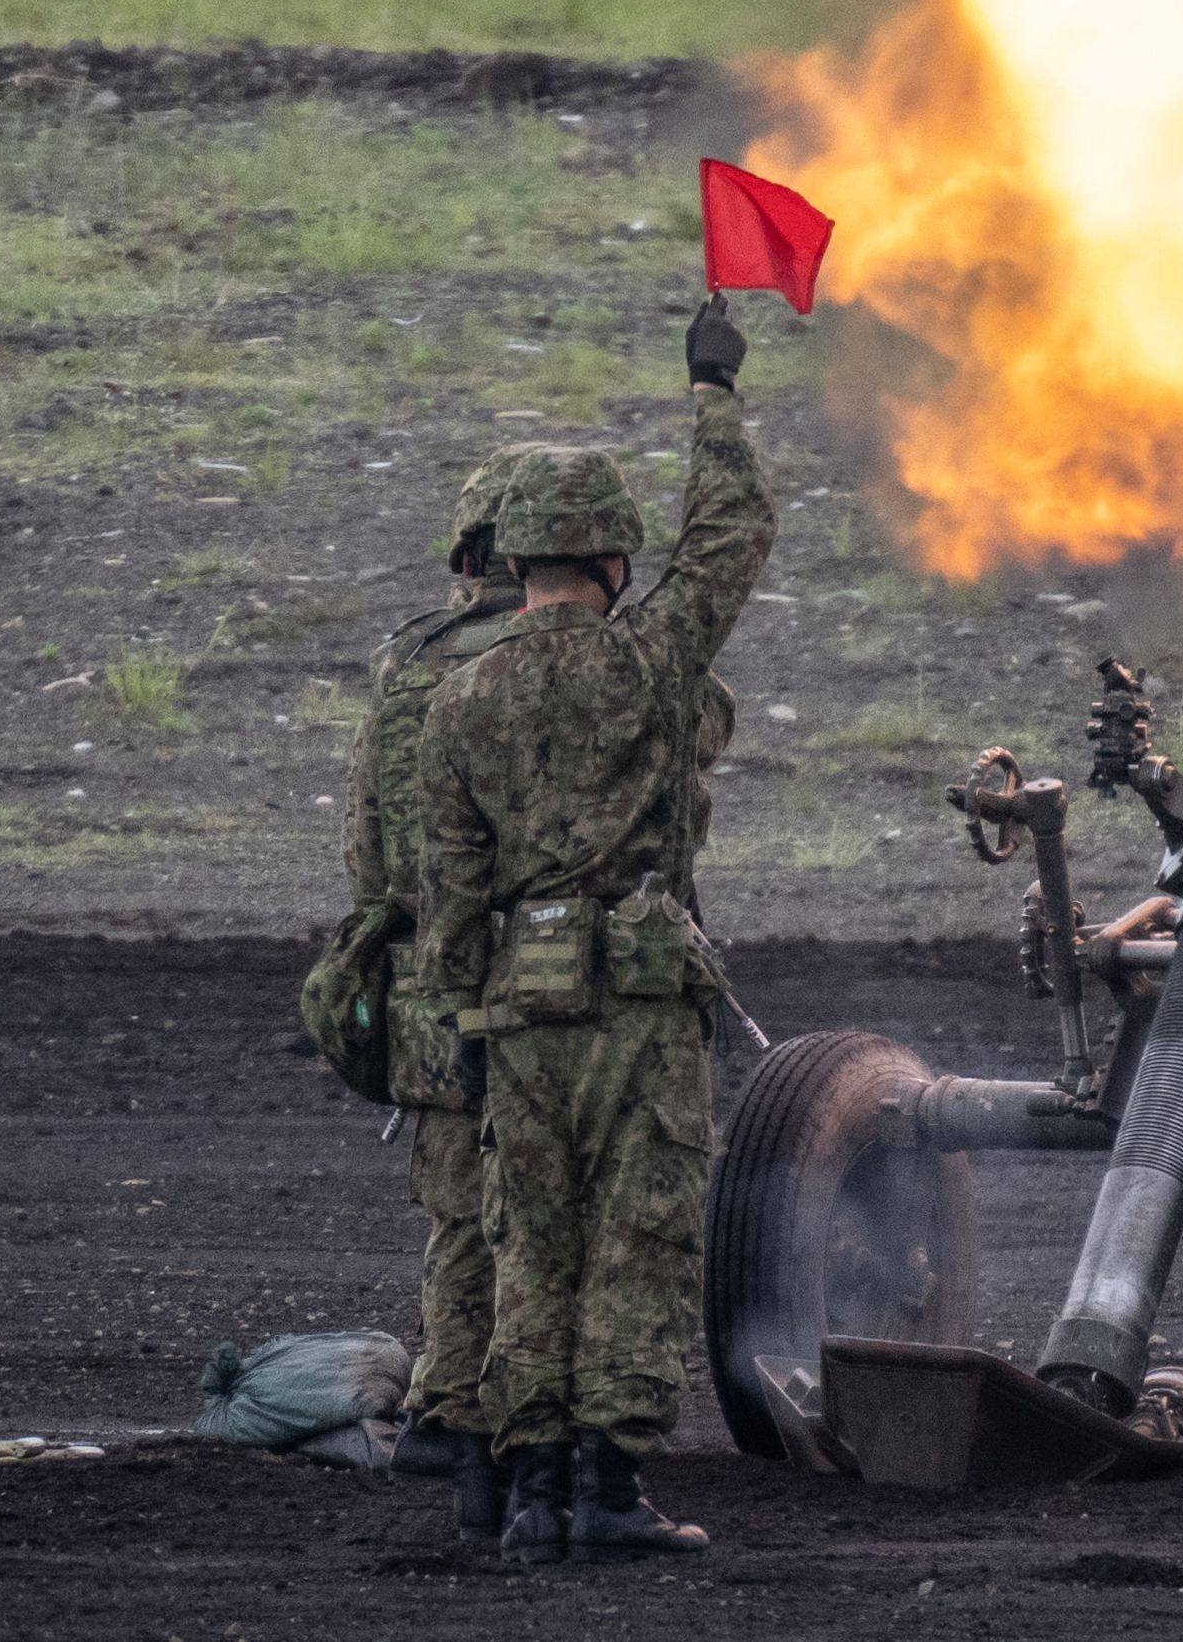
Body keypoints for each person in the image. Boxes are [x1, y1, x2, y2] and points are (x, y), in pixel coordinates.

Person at [416, 294, 773, 1564]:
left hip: (513, 1005)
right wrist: (710, 392)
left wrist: (459, 1018)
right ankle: (607, 1492)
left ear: (515, 561)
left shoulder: (457, 701)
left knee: (530, 1244)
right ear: (616, 559)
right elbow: (729, 538)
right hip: (632, 999)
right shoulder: (650, 661)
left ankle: (525, 1497)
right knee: (638, 1235)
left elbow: (447, 882)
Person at [347, 454, 536, 1539]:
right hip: (524, 978)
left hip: (418, 975)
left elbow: (365, 844)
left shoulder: (404, 657)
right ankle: (508, 1422)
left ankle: (444, 1406)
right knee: (539, 1214)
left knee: (456, 1210)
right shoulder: (546, 658)